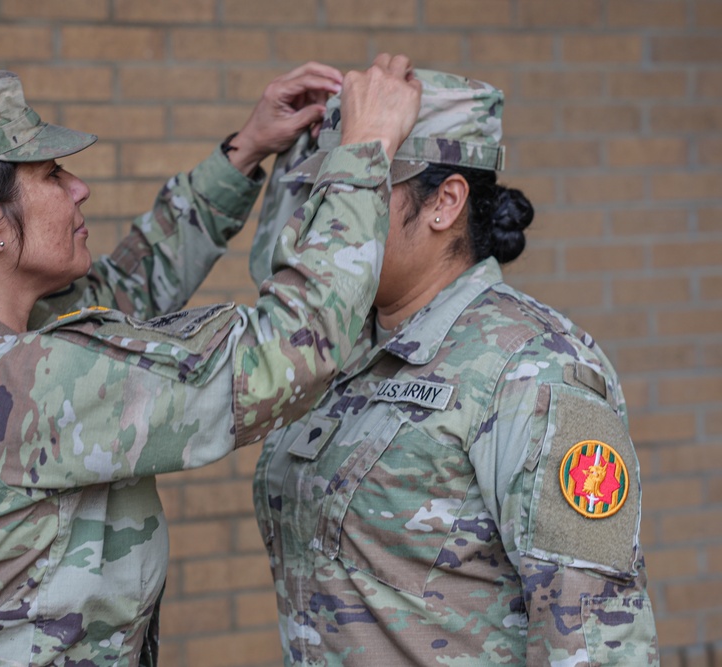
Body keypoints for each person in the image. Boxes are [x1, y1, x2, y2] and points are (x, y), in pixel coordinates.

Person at [0, 57, 422, 666]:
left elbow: (121, 290)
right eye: (52, 174)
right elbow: (287, 350)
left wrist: (243, 151)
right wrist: (364, 150)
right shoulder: (2, 383)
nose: (79, 187)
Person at [250, 70, 659, 665]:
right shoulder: (337, 347)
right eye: (328, 187)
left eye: (364, 184)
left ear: (445, 203)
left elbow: (594, 641)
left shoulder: (534, 369)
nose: (329, 212)